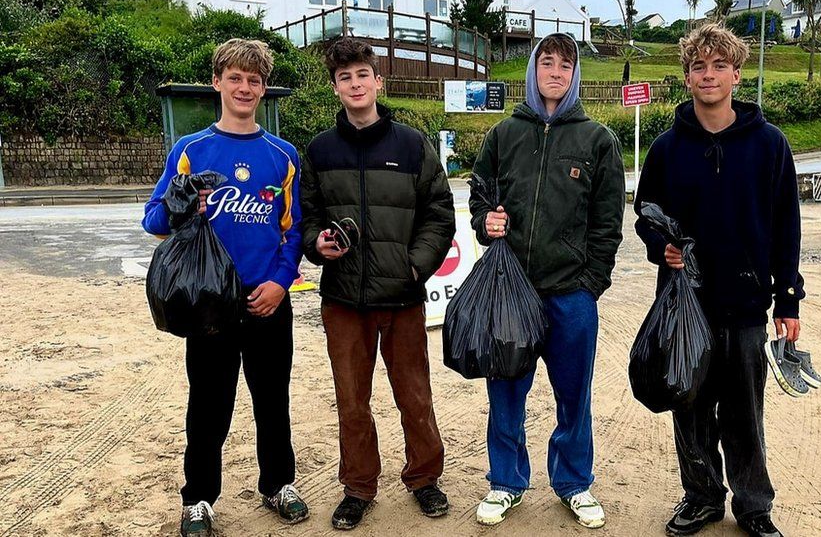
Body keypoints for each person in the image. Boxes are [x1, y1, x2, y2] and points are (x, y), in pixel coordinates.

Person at [633, 24, 805, 537]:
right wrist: (657, 246)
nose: (708, 75)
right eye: (698, 67)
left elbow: (786, 226)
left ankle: (753, 506)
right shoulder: (666, 148)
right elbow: (646, 212)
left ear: (735, 72)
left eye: (718, 66)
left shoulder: (770, 145)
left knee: (745, 415)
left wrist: (788, 300)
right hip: (685, 306)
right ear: (687, 77)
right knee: (688, 407)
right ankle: (702, 496)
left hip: (747, 305)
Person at [142, 38, 308, 537]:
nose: (244, 88)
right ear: (217, 82)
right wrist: (183, 204)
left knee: (272, 401)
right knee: (209, 406)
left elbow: (294, 227)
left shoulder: (283, 154)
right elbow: (153, 220)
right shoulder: (190, 150)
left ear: (264, 89)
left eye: (254, 81)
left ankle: (278, 484)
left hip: (267, 302)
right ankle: (198, 499)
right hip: (208, 304)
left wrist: (281, 283)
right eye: (235, 78)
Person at [467, 32, 625, 529]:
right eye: (547, 62)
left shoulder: (597, 140)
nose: (555, 72)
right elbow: (479, 196)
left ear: (575, 74)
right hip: (512, 291)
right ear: (534, 69)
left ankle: (574, 482)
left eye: (565, 65)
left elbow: (608, 222)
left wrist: (590, 283)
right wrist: (484, 222)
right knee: (506, 389)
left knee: (573, 393)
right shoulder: (504, 134)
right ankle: (506, 481)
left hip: (571, 296)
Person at [300, 38, 456, 530]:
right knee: (351, 400)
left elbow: (439, 213)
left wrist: (415, 266)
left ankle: (424, 478)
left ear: (378, 81)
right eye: (345, 77)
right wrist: (316, 244)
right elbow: (306, 216)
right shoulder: (321, 149)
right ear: (336, 87)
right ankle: (358, 487)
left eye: (362, 74)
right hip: (344, 299)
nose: (355, 84)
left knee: (415, 396)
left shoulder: (412, 144)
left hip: (403, 296)